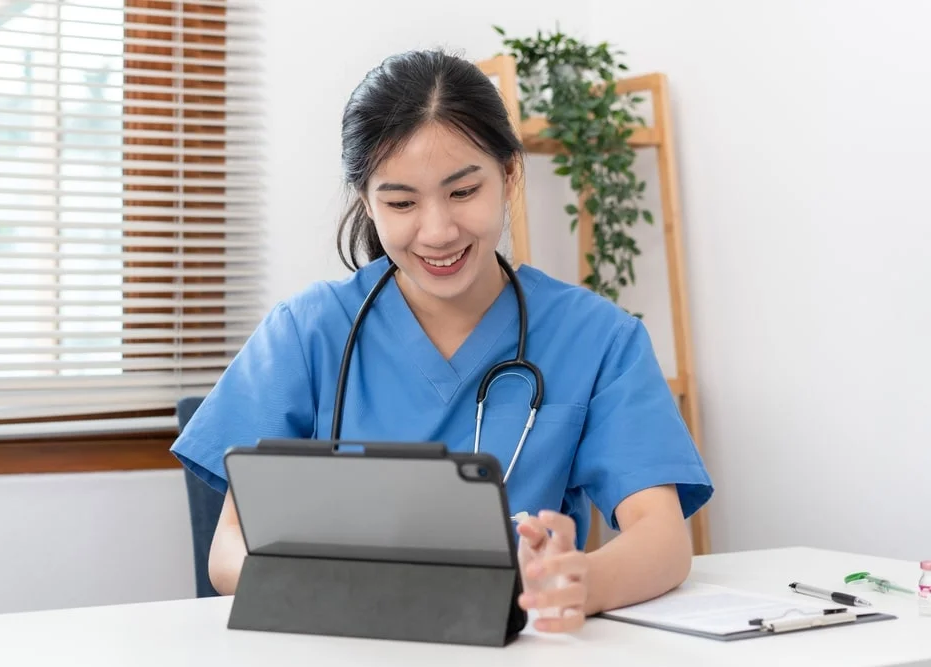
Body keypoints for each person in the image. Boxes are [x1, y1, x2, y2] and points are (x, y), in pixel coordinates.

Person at [171, 48, 713, 634]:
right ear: (367, 201)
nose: (437, 231)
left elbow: (662, 538)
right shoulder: (305, 333)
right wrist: (335, 591)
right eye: (401, 202)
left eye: (462, 192)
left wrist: (578, 581)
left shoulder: (597, 338)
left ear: (508, 175)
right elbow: (228, 548)